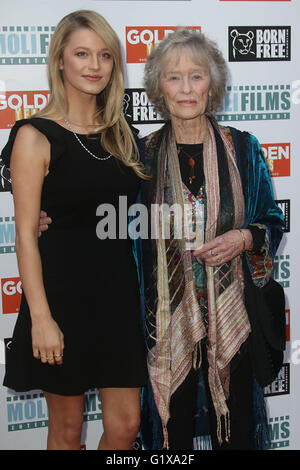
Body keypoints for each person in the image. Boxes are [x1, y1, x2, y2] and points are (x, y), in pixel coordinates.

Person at [1, 10, 148, 450]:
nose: (94, 65)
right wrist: (41, 320)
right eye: (82, 53)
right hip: (61, 299)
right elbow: (25, 233)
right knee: (66, 432)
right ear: (60, 60)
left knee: (125, 426)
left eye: (105, 55)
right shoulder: (34, 135)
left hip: (118, 298)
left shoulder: (123, 135)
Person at [138, 29, 285, 450]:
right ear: (159, 89)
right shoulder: (141, 157)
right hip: (166, 322)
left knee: (236, 426)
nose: (186, 88)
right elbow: (109, 220)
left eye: (197, 76)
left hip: (232, 316)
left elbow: (271, 221)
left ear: (212, 85)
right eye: (174, 78)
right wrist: (49, 216)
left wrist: (242, 238)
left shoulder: (243, 148)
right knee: (173, 428)